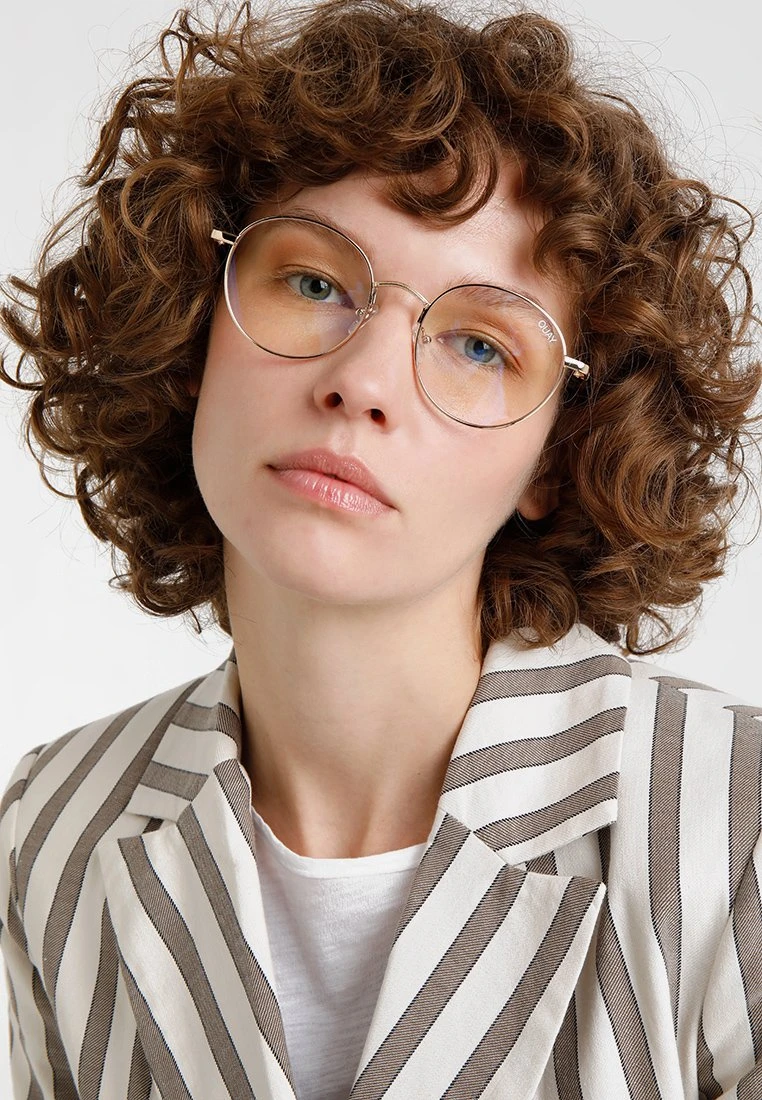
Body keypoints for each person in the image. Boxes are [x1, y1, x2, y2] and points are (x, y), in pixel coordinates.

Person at [0, 0, 760, 1096]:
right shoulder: (53, 831)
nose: (360, 382)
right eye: (314, 283)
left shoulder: (733, 824)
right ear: (194, 320)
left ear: (559, 455)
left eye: (478, 345)